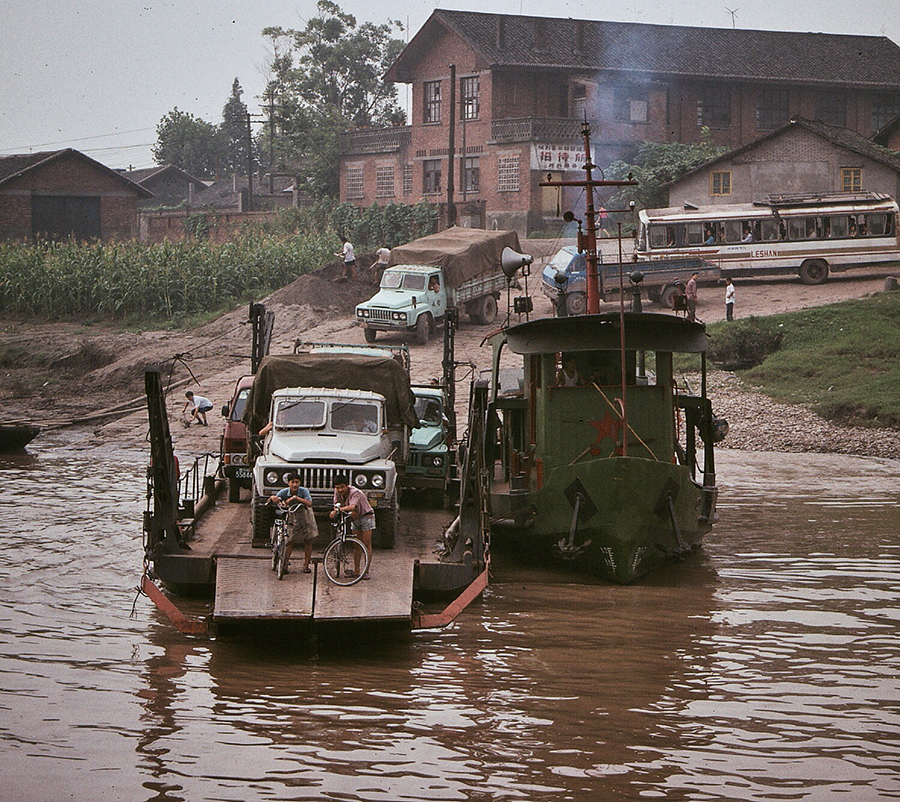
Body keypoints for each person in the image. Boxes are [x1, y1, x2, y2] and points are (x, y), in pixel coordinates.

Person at [267, 474, 315, 573]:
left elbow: (309, 503)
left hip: (305, 514)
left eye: (297, 482)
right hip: (292, 516)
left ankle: (306, 565)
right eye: (292, 482)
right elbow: (273, 499)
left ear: (300, 483)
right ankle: (284, 564)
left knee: (308, 539)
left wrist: (295, 498)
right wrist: (272, 498)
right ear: (288, 483)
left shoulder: (304, 491)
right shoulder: (284, 492)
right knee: (289, 540)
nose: (294, 485)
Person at [330, 474, 374, 579]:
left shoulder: (355, 492)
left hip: (366, 516)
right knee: (356, 545)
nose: (340, 490)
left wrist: (338, 510)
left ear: (347, 485)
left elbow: (353, 506)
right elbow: (336, 505)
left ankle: (366, 571)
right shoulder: (337, 492)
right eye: (337, 487)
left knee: (366, 544)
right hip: (355, 518)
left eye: (342, 487)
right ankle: (357, 571)